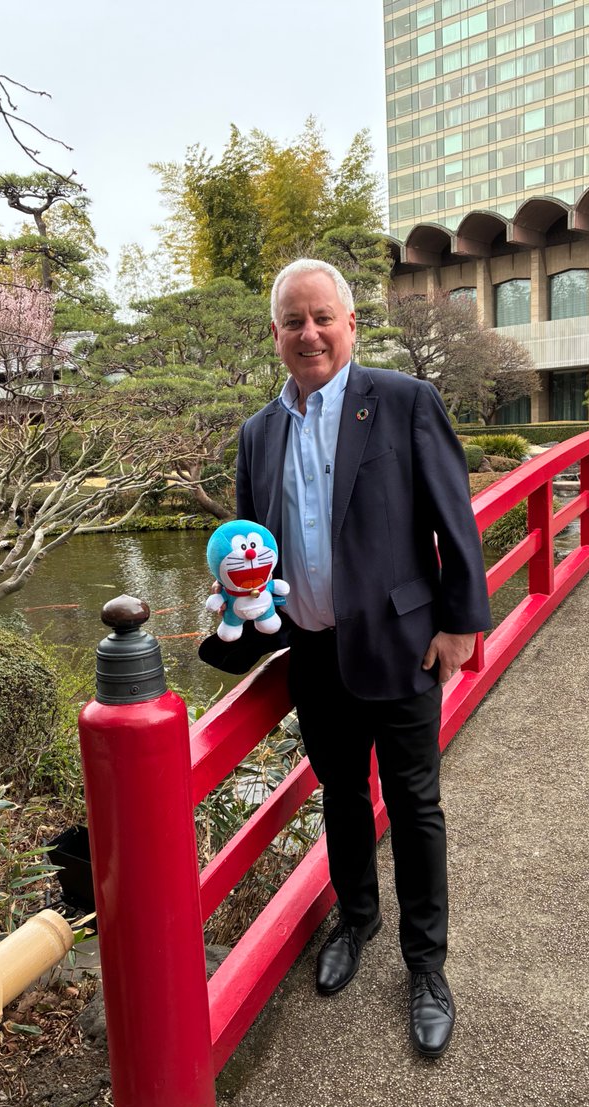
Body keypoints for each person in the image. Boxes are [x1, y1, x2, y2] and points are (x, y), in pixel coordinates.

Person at [219, 259, 491, 1058]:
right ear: (276, 335)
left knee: (413, 805)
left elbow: (455, 520)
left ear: (349, 323)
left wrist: (459, 623)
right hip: (313, 648)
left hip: (403, 645)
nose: (309, 334)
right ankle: (358, 919)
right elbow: (249, 545)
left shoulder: (403, 402)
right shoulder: (258, 432)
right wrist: (242, 606)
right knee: (339, 794)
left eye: (322, 318)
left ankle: (427, 965)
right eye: (293, 322)